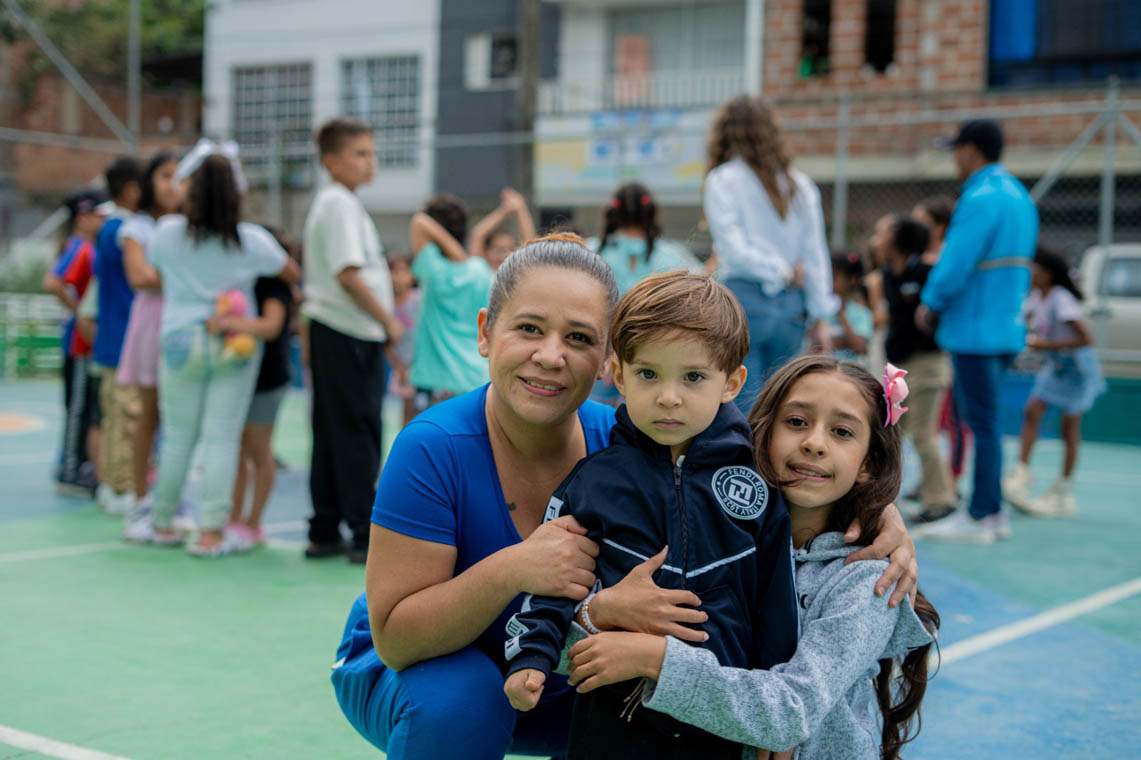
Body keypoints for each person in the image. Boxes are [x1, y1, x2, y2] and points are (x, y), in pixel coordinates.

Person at [329, 234, 919, 760]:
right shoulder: (432, 447)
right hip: (426, 666)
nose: (551, 355)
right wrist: (515, 568)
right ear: (486, 332)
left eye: (579, 337)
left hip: (556, 665)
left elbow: (764, 462)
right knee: (461, 702)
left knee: (642, 712)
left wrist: (877, 512)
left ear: (605, 359)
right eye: (529, 328)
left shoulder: (632, 440)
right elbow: (397, 637)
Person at [565, 356, 939, 760]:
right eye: (796, 422)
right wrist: (594, 615)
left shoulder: (866, 582)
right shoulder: (705, 538)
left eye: (842, 431)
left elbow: (790, 712)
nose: (814, 442)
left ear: (867, 464)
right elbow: (569, 656)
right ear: (762, 434)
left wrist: (657, 659)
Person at [503, 272, 798, 759]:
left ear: (732, 382)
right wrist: (531, 656)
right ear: (618, 375)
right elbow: (553, 584)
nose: (668, 396)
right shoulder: (592, 483)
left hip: (718, 722)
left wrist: (774, 720)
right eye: (648, 374)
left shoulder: (759, 482)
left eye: (693, 377)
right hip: (610, 722)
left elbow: (777, 606)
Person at [123, 147, 299, 554]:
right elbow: (290, 271)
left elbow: (158, 269)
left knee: (178, 436)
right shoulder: (253, 241)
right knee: (222, 437)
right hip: (234, 342)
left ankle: (162, 523)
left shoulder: (167, 232)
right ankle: (211, 533)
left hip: (180, 337)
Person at [915, 119, 1038, 543]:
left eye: (957, 150)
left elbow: (956, 260)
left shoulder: (980, 196)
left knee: (979, 423)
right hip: (1005, 326)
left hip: (975, 330)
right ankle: (992, 512)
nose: (954, 159)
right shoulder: (1019, 196)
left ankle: (981, 513)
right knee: (986, 423)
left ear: (971, 150)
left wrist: (930, 302)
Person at [302, 117, 402, 564]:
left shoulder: (339, 202)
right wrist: (388, 321)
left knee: (332, 430)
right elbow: (347, 274)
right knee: (357, 430)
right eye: (360, 154)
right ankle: (363, 531)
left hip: (338, 330)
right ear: (331, 161)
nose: (370, 162)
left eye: (371, 153)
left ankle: (325, 527)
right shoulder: (338, 203)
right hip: (348, 331)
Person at [703, 94, 834, 411]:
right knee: (780, 405)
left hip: (745, 303)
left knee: (743, 405)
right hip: (793, 306)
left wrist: (778, 271)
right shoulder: (799, 185)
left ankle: (746, 462)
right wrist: (821, 316)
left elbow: (732, 251)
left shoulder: (722, 180)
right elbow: (816, 254)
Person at [1003, 245, 1104, 518]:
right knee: (1032, 411)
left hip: (1077, 371)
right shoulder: (1037, 297)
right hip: (1057, 367)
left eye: (1034, 267)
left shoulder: (1061, 299)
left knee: (1069, 426)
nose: (1029, 272)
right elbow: (1021, 319)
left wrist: (1046, 345)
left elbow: (1086, 339)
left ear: (1047, 273)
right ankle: (1021, 474)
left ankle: (1063, 490)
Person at [873, 215, 957, 523]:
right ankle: (883, 499)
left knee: (923, 433)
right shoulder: (886, 274)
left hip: (928, 364)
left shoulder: (925, 272)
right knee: (891, 435)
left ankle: (942, 499)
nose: (875, 239)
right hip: (899, 367)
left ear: (898, 239)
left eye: (881, 232)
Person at [116, 151, 185, 522]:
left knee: (182, 419)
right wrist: (189, 275)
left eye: (179, 176)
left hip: (186, 323)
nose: (173, 185)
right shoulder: (136, 227)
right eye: (164, 176)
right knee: (150, 414)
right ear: (148, 183)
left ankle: (172, 496)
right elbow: (139, 277)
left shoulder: (191, 225)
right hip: (152, 325)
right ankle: (141, 494)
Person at [591, 182, 702, 404]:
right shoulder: (674, 257)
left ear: (614, 212)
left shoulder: (589, 252)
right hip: (651, 360)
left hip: (598, 354)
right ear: (651, 213)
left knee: (593, 423)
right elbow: (705, 287)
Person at [227, 226, 300, 546]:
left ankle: (253, 522)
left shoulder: (273, 285)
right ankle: (234, 518)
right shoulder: (247, 281)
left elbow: (271, 327)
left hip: (267, 379)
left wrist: (230, 324)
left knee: (258, 450)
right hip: (244, 375)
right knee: (239, 450)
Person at [42, 189, 108, 495]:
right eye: (97, 213)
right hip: (80, 341)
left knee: (83, 408)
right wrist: (81, 310)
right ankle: (69, 470)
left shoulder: (85, 246)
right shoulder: (81, 248)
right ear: (83, 217)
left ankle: (76, 465)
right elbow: (52, 282)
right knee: (79, 408)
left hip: (85, 339)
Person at [407, 194, 494, 409]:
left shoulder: (434, 270)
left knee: (426, 441)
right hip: (475, 379)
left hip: (434, 380)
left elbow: (418, 221)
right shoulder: (482, 271)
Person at [92, 157, 143, 517]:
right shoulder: (122, 231)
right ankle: (123, 486)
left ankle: (112, 484)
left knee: (115, 418)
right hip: (125, 340)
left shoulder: (109, 229)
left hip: (114, 338)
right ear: (132, 190)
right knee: (126, 417)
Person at [912, 195, 970, 489]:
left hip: (947, 353)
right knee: (925, 426)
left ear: (939, 227)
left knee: (951, 421)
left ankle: (951, 484)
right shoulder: (916, 262)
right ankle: (929, 482)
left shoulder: (950, 262)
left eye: (921, 222)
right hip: (918, 357)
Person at [384, 250, 421, 427]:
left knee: (422, 413)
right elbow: (387, 344)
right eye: (394, 271)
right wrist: (399, 368)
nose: (398, 277)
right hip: (402, 370)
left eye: (403, 271)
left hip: (422, 367)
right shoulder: (384, 305)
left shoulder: (419, 301)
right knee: (407, 414)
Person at [469, 187, 536, 270]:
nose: (503, 255)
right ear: (486, 251)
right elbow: (477, 235)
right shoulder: (480, 272)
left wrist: (520, 208)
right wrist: (504, 210)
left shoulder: (515, 274)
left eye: (510, 250)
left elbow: (530, 244)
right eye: (499, 249)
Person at [828, 251, 873, 365]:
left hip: (851, 374)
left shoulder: (861, 313)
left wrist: (840, 313)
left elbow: (860, 347)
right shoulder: (818, 311)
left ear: (852, 280)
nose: (828, 281)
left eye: (834, 276)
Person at [911, 195, 954, 266]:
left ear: (940, 228)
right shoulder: (913, 256)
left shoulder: (951, 257)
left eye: (920, 223)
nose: (913, 229)